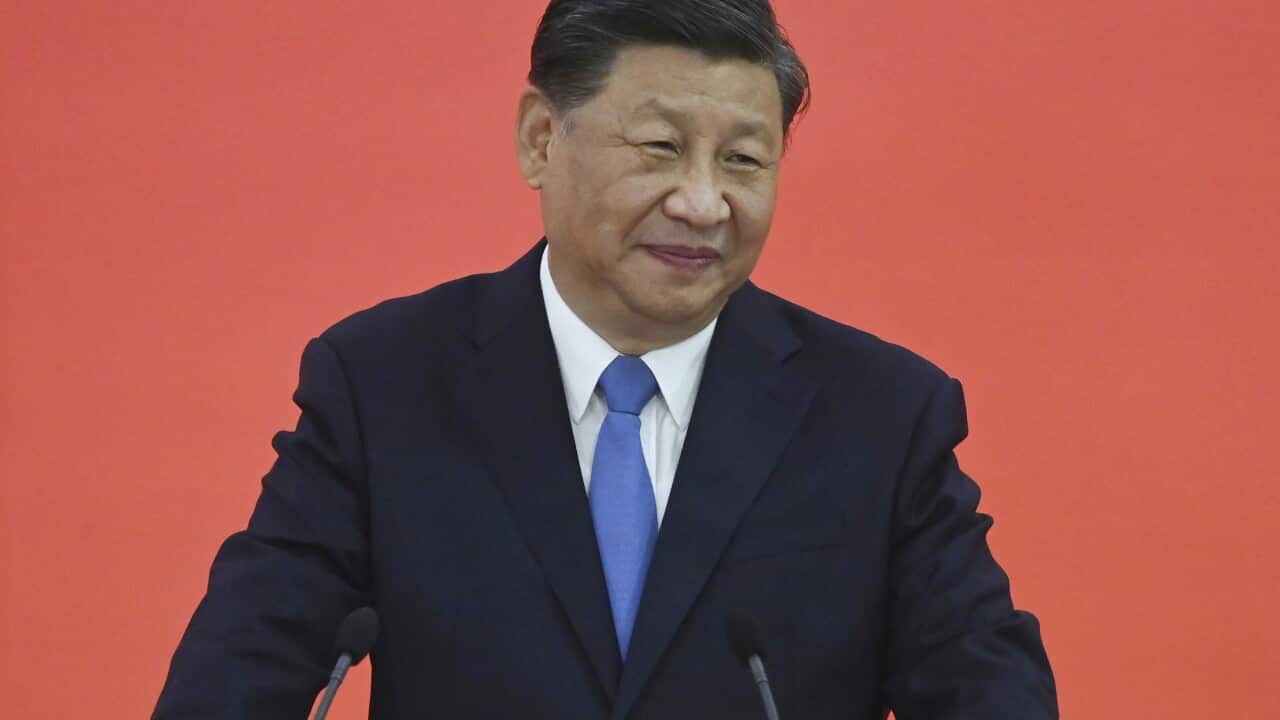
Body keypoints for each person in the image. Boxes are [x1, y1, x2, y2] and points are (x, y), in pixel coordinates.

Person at [154, 1, 1058, 718]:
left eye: (744, 160)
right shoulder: (384, 382)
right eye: (661, 148)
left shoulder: (882, 415)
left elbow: (988, 688)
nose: (704, 204)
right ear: (542, 140)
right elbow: (243, 670)